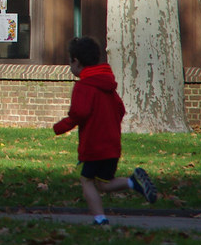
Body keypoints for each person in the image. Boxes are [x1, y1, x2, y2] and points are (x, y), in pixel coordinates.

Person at [53, 36, 157, 225]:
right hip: (112, 144)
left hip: (94, 145)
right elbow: (120, 109)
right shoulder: (108, 86)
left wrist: (59, 127)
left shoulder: (83, 86)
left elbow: (79, 113)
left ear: (76, 61)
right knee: (103, 183)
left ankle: (100, 219)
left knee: (86, 180)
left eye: (70, 61)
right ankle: (133, 182)